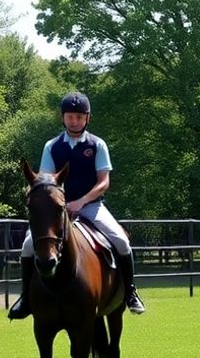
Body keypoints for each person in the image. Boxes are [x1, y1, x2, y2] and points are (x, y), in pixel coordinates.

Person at [8, 91, 146, 318]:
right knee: (28, 245)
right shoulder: (52, 146)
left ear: (87, 118)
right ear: (63, 118)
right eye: (71, 117)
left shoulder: (97, 144)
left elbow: (104, 182)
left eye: (79, 117)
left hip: (92, 206)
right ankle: (25, 297)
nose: (75, 121)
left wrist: (81, 202)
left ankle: (130, 292)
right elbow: (45, 180)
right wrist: (61, 205)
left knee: (121, 241)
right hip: (57, 211)